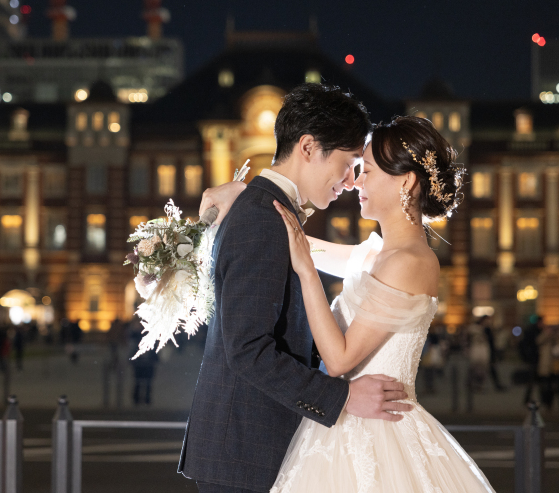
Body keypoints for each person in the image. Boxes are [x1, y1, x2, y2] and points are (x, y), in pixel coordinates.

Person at [204, 114, 495, 491]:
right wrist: (245, 197)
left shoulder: (410, 262)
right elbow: (293, 239)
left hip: (378, 431)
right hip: (343, 420)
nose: (355, 181)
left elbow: (340, 359)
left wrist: (309, 275)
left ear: (406, 181)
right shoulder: (377, 255)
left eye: (368, 171)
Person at [179, 84, 414, 493]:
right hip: (245, 453)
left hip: (249, 448)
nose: (349, 180)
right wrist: (342, 397)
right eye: (348, 163)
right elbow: (248, 349)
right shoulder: (262, 218)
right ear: (308, 147)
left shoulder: (267, 211)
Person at [537, 325, 559, 412]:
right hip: (548, 367)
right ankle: (549, 405)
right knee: (549, 388)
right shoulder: (546, 340)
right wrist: (547, 333)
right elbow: (538, 341)